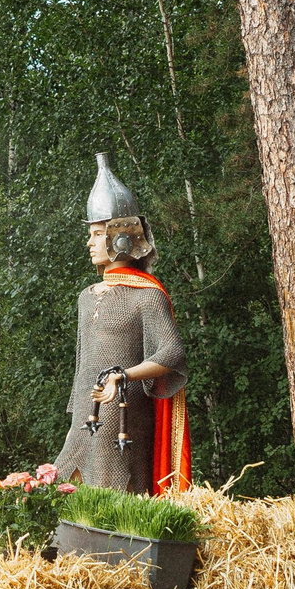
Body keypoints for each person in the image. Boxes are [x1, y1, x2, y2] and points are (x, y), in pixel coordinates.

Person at [51, 155, 192, 493]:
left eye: (98, 234)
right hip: (86, 415)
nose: (89, 242)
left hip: (125, 416)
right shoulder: (87, 296)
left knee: (118, 496)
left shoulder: (147, 295)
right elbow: (83, 364)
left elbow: (173, 352)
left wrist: (124, 375)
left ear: (120, 240)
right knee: (61, 488)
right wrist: (77, 411)